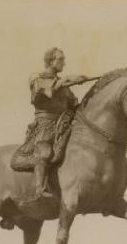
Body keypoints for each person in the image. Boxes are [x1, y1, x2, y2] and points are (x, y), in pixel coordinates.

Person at [27, 48, 88, 199]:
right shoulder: (37, 78)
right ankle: (39, 189)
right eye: (61, 59)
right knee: (45, 151)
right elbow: (43, 94)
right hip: (45, 124)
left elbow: (74, 106)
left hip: (63, 123)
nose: (64, 63)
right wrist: (66, 80)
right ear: (51, 61)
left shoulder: (64, 86)